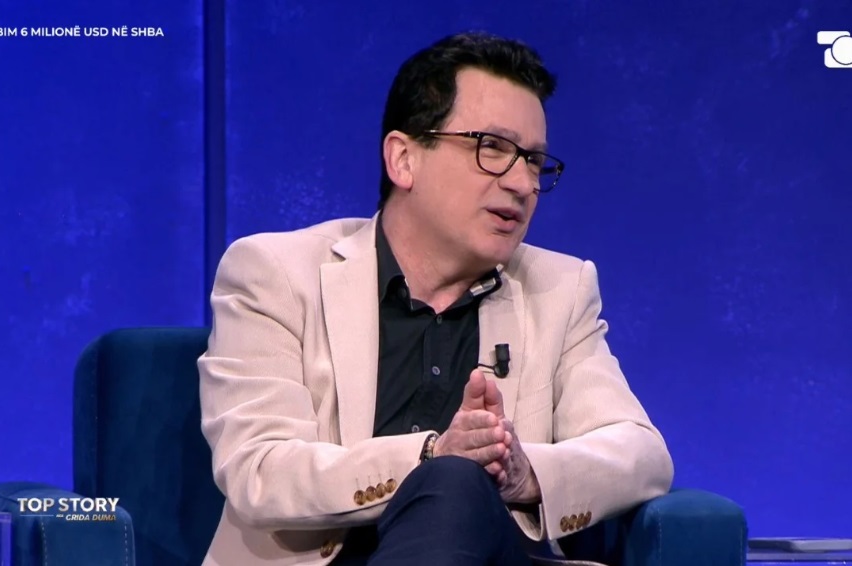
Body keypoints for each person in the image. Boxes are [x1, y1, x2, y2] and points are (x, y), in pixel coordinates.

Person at [197, 31, 674, 566]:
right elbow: (260, 470)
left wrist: (524, 473)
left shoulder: (559, 289)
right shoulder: (277, 274)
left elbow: (640, 452)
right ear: (403, 159)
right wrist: (430, 456)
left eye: (534, 160)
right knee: (451, 475)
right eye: (492, 148)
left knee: (459, 484)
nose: (522, 183)